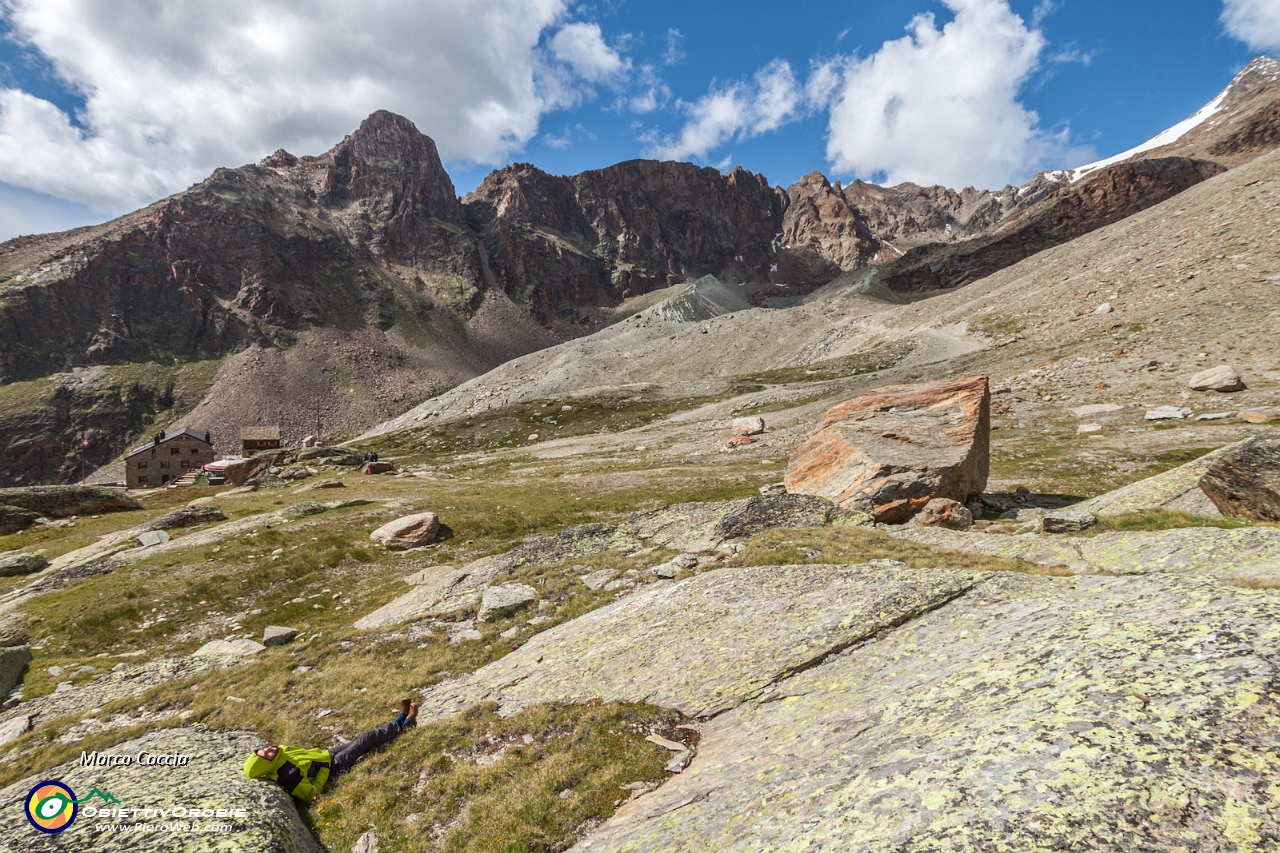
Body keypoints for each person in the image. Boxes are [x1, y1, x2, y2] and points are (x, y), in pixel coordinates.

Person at [243, 700, 417, 800]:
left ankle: (401, 724)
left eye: (264, 749)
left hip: (327, 755)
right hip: (333, 769)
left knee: (364, 742)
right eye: (267, 755)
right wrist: (325, 771)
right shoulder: (287, 775)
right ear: (267, 765)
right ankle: (403, 722)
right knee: (366, 739)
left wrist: (322, 756)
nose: (269, 749)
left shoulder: (280, 752)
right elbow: (311, 793)